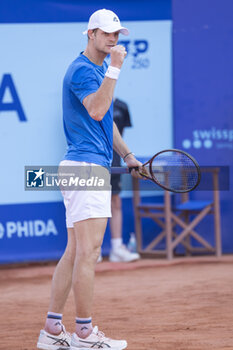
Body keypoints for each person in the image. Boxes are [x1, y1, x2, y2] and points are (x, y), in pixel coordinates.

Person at [37, 8, 142, 350]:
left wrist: (126, 154)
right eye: (106, 33)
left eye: (116, 34)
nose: (113, 39)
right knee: (90, 252)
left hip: (82, 168)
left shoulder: (96, 71)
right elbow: (97, 109)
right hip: (85, 169)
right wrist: (116, 67)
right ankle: (83, 333)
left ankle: (53, 330)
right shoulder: (85, 70)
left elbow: (104, 119)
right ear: (90, 34)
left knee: (75, 251)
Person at [109, 98, 140, 262]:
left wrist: (126, 157)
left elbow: (119, 136)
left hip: (115, 163)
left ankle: (116, 248)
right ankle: (93, 250)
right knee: (93, 206)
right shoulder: (90, 102)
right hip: (93, 163)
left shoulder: (122, 106)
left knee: (115, 202)